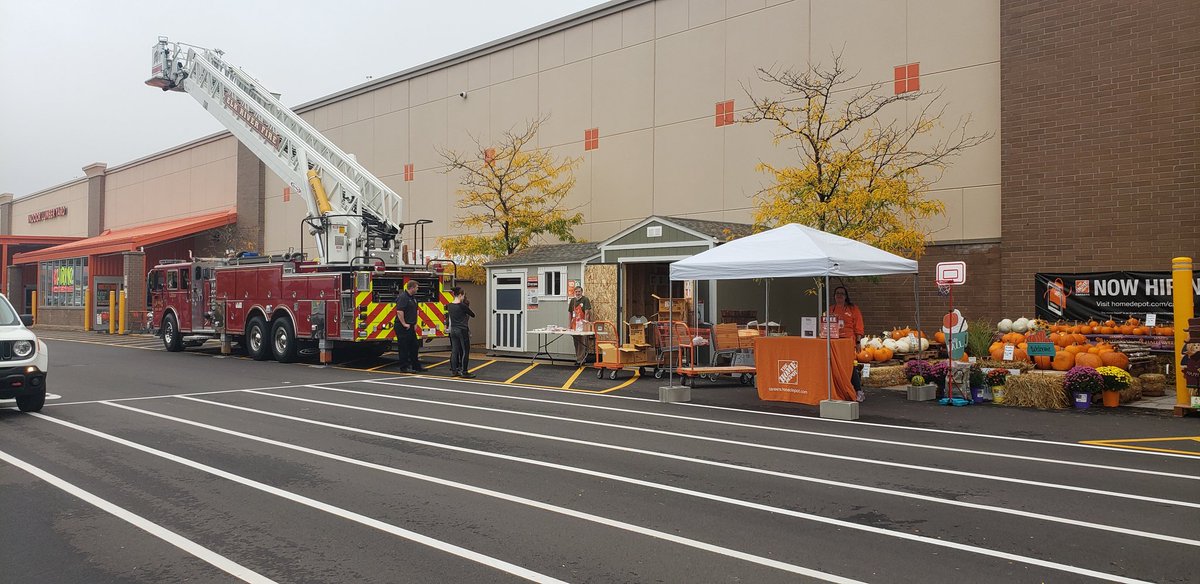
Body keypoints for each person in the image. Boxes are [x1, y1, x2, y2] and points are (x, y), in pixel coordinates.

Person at [827, 285, 866, 401]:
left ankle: (858, 390)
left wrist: (858, 341)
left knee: (849, 366)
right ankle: (841, 390)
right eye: (837, 293)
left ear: (846, 296)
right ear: (834, 296)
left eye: (842, 293)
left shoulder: (853, 309)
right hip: (834, 342)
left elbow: (858, 326)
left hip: (849, 342)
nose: (839, 295)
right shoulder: (831, 309)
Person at [446, 286, 476, 378]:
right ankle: (464, 371)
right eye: (463, 295)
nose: (463, 297)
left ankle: (454, 371)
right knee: (465, 350)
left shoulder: (449, 305)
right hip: (462, 330)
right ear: (460, 295)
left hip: (453, 330)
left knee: (454, 350)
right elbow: (472, 314)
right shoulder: (462, 305)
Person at [395, 280, 424, 373]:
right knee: (404, 347)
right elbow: (399, 311)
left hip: (411, 326)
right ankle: (404, 367)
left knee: (414, 346)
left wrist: (415, 323)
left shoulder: (413, 298)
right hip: (403, 327)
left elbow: (416, 311)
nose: (418, 289)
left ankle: (416, 366)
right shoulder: (403, 297)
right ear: (411, 288)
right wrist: (404, 324)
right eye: (416, 287)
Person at [567, 286, 593, 366]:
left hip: (582, 324)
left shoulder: (585, 300)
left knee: (582, 342)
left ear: (582, 292)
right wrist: (569, 325)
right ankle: (579, 358)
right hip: (574, 325)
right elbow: (570, 313)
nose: (578, 293)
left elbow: (587, 312)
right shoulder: (573, 301)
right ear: (575, 292)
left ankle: (580, 360)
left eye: (579, 291)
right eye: (576, 292)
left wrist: (585, 324)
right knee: (576, 342)